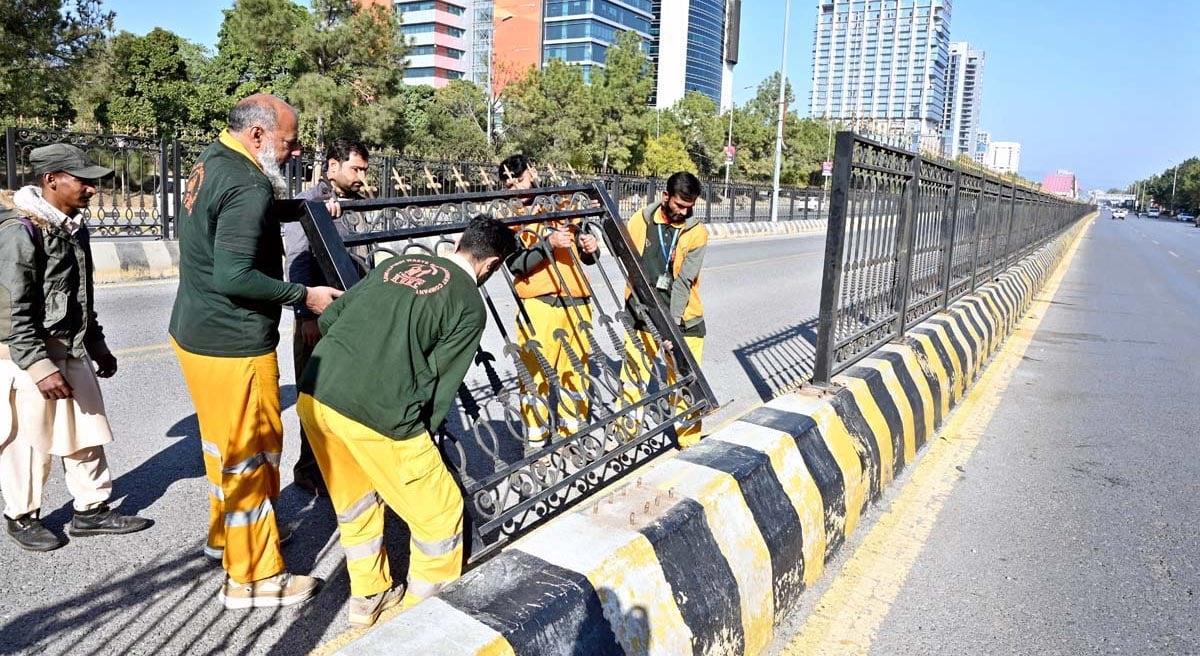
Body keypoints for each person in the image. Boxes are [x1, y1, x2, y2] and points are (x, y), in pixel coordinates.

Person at [297, 215, 518, 627]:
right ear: (491, 266)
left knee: (356, 502)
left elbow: (331, 319)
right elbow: (439, 386)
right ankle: (420, 623)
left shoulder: (394, 266)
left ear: (458, 242)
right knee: (440, 513)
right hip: (379, 416)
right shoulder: (468, 303)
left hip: (318, 396)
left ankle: (370, 597)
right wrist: (423, 439)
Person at [168, 94, 342, 609]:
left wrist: (302, 207)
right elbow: (235, 275)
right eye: (288, 142)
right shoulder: (246, 182)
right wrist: (304, 295)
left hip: (198, 334)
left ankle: (226, 538)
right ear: (260, 135)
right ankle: (256, 577)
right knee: (253, 452)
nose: (293, 152)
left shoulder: (213, 160)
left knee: (223, 449)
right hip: (234, 341)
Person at [0, 144, 152, 552]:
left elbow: (81, 296)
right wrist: (38, 366)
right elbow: (12, 308)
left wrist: (98, 344)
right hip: (26, 355)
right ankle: (21, 516)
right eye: (82, 180)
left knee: (87, 430)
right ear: (51, 180)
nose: (92, 188)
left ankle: (91, 510)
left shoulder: (71, 226)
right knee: (28, 441)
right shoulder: (21, 230)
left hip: (71, 346)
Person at [283, 138, 371, 496]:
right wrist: (305, 314)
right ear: (332, 166)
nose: (362, 176)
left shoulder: (356, 204)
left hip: (354, 313)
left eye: (364, 169)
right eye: (356, 169)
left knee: (347, 393)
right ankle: (308, 467)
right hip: (320, 315)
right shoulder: (309, 203)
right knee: (314, 392)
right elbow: (298, 259)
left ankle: (342, 458)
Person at [500, 154, 601, 451]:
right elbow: (516, 265)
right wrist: (548, 244)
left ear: (531, 173)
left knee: (576, 370)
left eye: (518, 178)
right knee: (534, 375)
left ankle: (572, 432)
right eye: (506, 181)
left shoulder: (563, 205)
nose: (513, 185)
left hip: (576, 298)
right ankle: (536, 441)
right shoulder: (508, 219)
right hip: (538, 303)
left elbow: (590, 257)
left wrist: (589, 247)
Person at [620, 172, 709, 448]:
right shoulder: (642, 221)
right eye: (679, 205)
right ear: (665, 197)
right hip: (642, 314)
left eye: (689, 206)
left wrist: (672, 324)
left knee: (684, 380)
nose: (684, 211)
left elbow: (684, 281)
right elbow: (625, 254)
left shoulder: (697, 232)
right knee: (633, 375)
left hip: (683, 319)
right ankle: (627, 435)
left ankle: (689, 440)